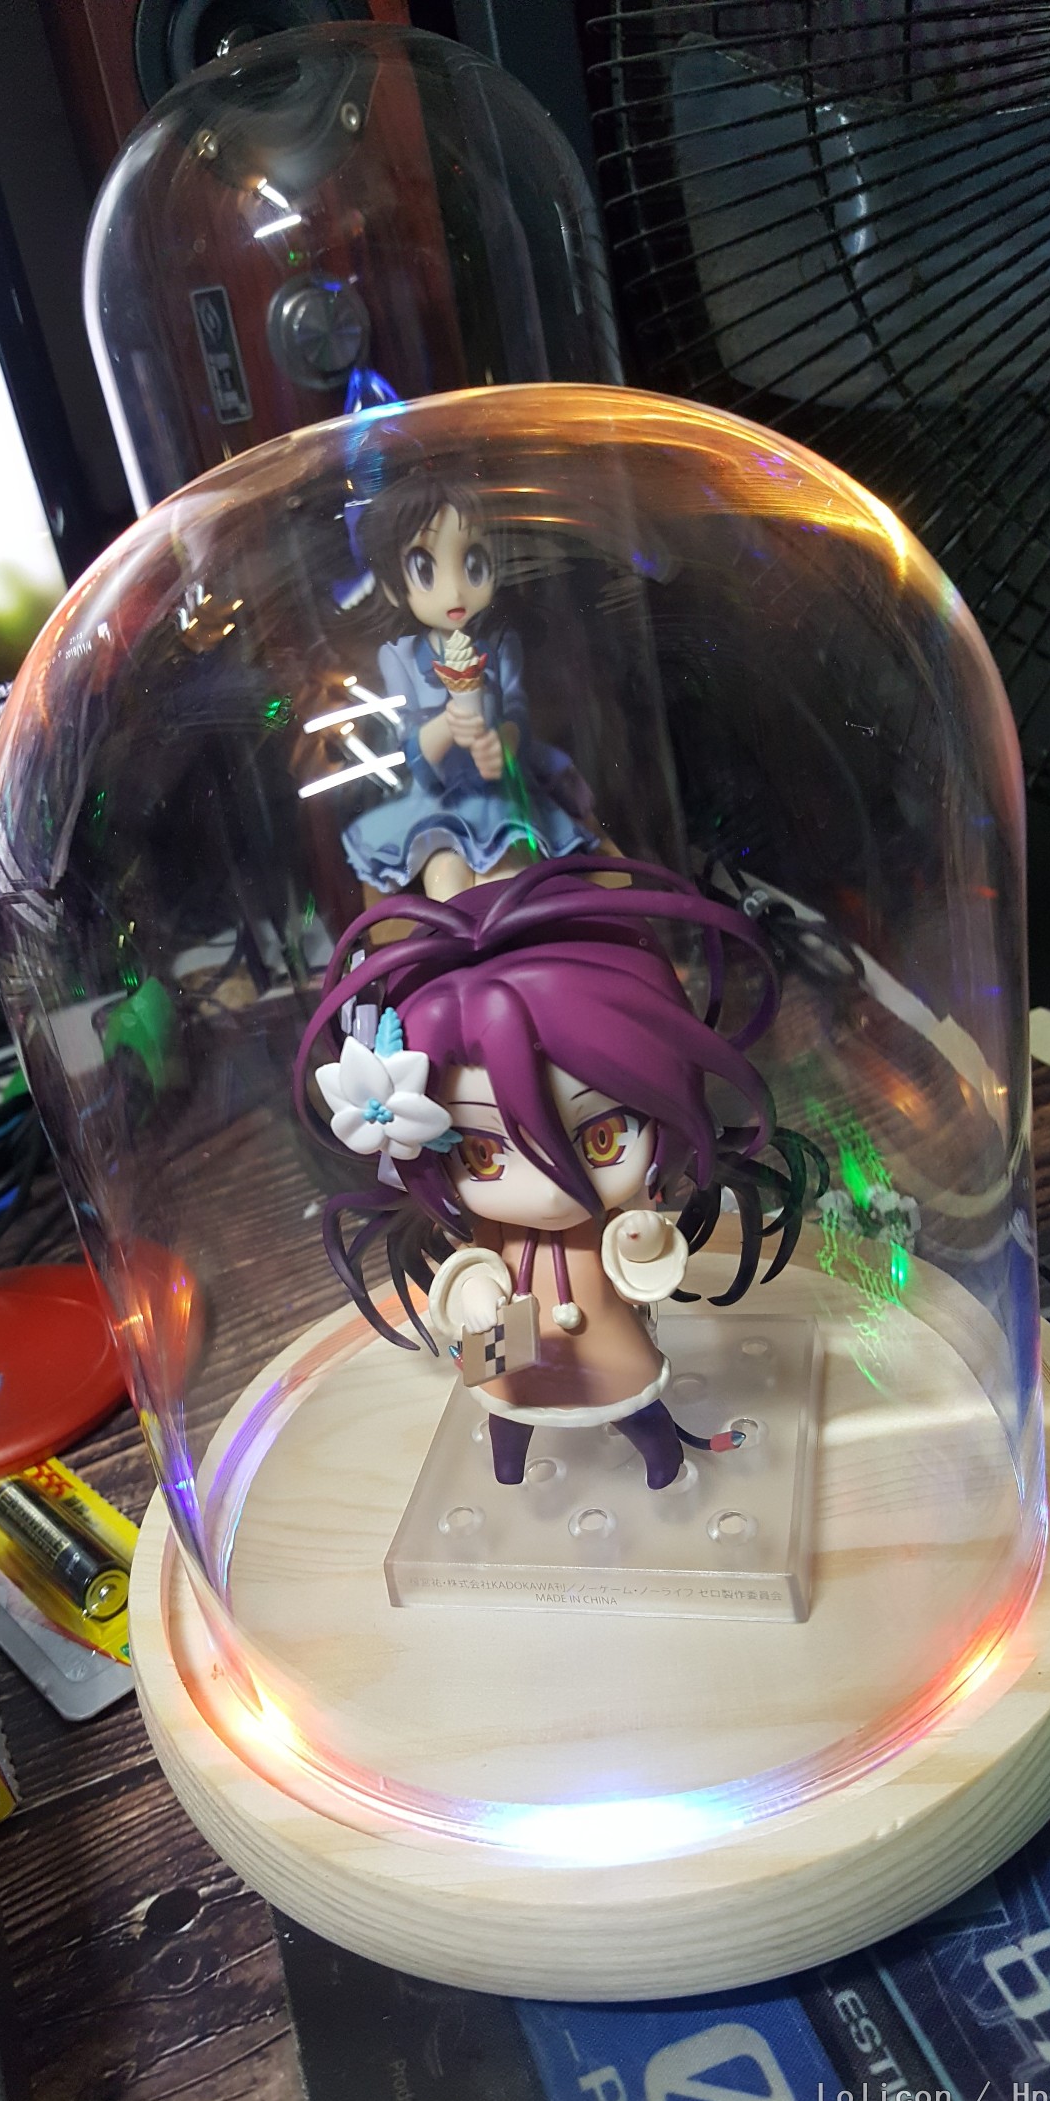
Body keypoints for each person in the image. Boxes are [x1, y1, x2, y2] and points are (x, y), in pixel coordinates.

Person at [296, 857, 819, 1488]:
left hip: (598, 1329)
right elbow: (469, 1265)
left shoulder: (614, 1210)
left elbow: (642, 1267)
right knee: (507, 1410)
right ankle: (510, 1477)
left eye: (601, 1138)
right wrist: (472, 1294)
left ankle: (664, 1469)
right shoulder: (495, 1226)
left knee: (632, 1403)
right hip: (509, 1337)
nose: (547, 1190)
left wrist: (641, 1241)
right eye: (483, 1154)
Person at [339, 468, 600, 901]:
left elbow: (516, 706)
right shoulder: (399, 656)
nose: (456, 591)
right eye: (425, 569)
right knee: (446, 881)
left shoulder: (500, 644)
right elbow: (407, 740)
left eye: (473, 563)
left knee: (509, 877)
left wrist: (506, 741)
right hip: (440, 797)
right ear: (392, 588)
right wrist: (446, 727)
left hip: (501, 791)